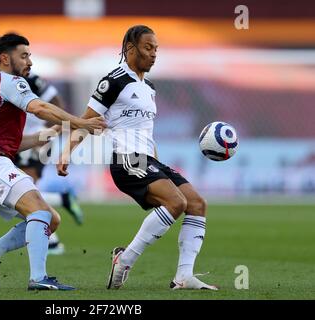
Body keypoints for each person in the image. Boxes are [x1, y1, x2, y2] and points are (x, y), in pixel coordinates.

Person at [57, 25, 217, 290]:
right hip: (126, 159)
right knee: (175, 202)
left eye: (156, 49)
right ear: (130, 49)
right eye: (148, 48)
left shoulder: (149, 87)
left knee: (197, 204)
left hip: (149, 159)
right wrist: (66, 152)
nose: (153, 54)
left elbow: (144, 131)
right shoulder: (114, 80)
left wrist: (157, 159)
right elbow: (86, 121)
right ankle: (125, 259)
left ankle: (184, 277)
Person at [0, 33, 106, 290]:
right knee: (40, 211)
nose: (30, 61)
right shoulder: (11, 82)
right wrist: (81, 122)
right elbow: (41, 108)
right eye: (24, 55)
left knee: (50, 220)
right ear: (5, 58)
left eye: (30, 55)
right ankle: (38, 279)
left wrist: (51, 133)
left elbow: (13, 143)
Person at [14, 73, 84, 255]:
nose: (26, 61)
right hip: (17, 140)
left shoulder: (32, 80)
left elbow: (57, 103)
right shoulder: (3, 83)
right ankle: (63, 199)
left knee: (24, 192)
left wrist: (47, 132)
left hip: (38, 139)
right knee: (20, 193)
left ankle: (51, 241)